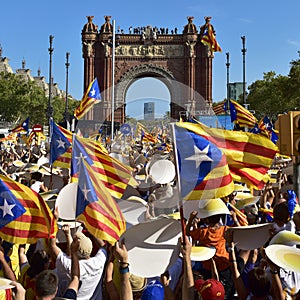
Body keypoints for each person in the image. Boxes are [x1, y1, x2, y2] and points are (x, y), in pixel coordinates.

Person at [49, 226, 107, 299]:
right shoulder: (99, 261)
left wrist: (53, 226)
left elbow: (53, 246)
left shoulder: (69, 266)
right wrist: (92, 230)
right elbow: (104, 246)